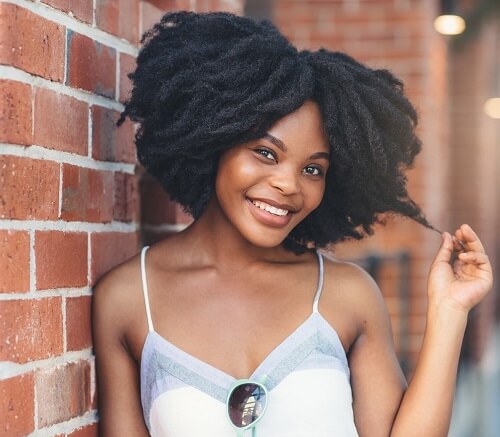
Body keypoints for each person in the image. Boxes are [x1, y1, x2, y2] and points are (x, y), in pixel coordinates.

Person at [92, 11, 493, 437]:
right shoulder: (129, 298)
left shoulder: (347, 294)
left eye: (313, 170)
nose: (288, 185)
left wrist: (450, 312)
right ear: (215, 139)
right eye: (266, 153)